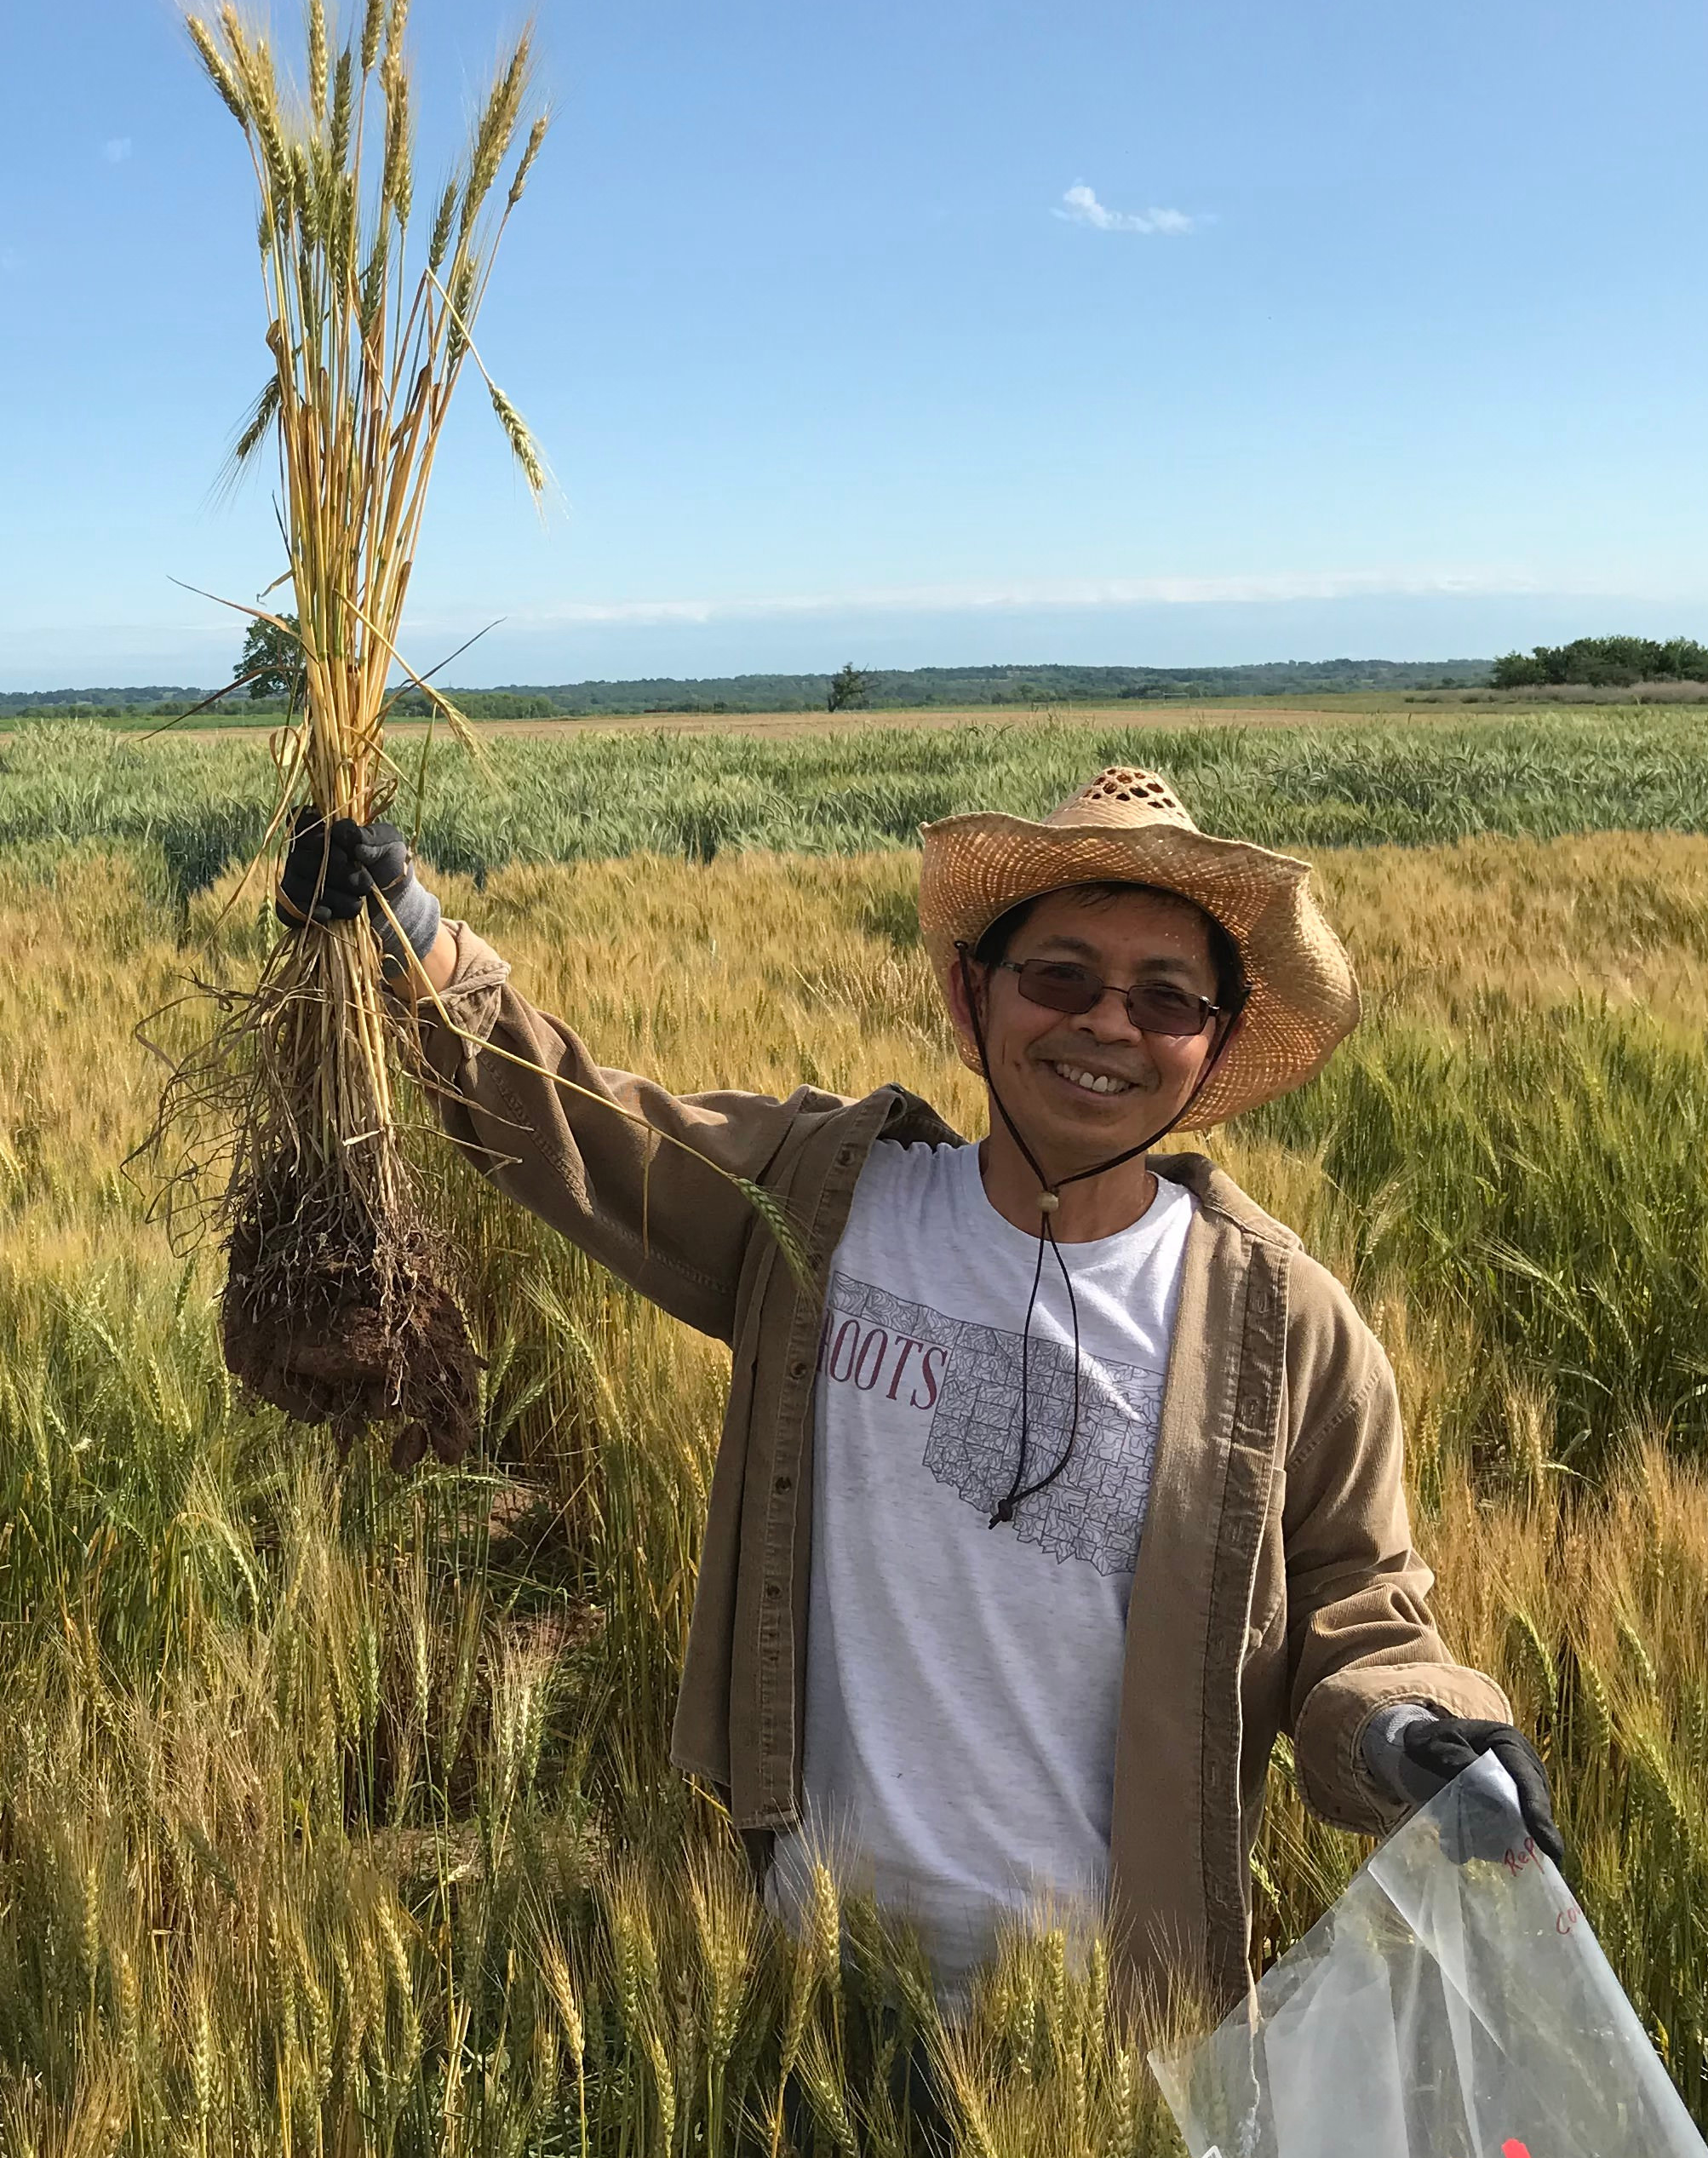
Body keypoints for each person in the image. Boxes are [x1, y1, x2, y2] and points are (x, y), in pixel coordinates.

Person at [279, 766, 1561, 2010]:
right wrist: (417, 947)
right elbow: (591, 1133)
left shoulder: (1288, 1329)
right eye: (1060, 975)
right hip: (809, 1991)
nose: (1107, 1023)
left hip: (1103, 2030)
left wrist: (1414, 1731)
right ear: (974, 994)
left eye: (1166, 1000)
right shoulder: (826, 1203)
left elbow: (1360, 1600)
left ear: (1213, 1044)